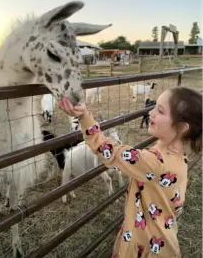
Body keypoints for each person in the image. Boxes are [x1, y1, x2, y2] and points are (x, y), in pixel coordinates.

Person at [58, 86, 202, 258]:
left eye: (160, 110)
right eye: (154, 106)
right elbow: (177, 203)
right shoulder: (180, 158)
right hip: (164, 238)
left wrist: (83, 116)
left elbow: (108, 150)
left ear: (181, 127)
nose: (151, 112)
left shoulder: (153, 161)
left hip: (143, 243)